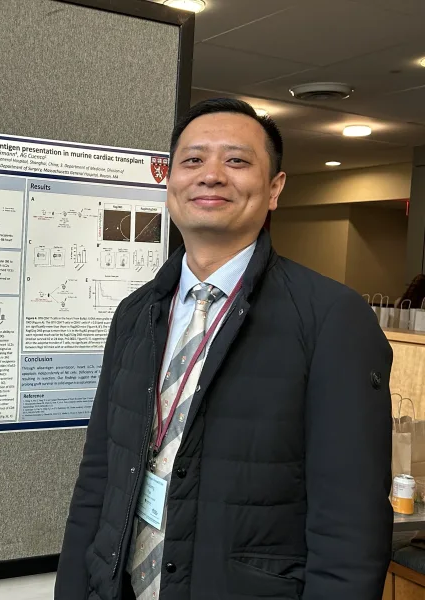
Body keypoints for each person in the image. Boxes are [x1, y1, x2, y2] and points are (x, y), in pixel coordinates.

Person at [55, 98, 393, 600]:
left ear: (274, 188)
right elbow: (98, 479)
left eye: (236, 160)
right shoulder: (135, 314)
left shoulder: (330, 318)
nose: (211, 175)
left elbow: (350, 525)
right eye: (193, 160)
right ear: (170, 182)